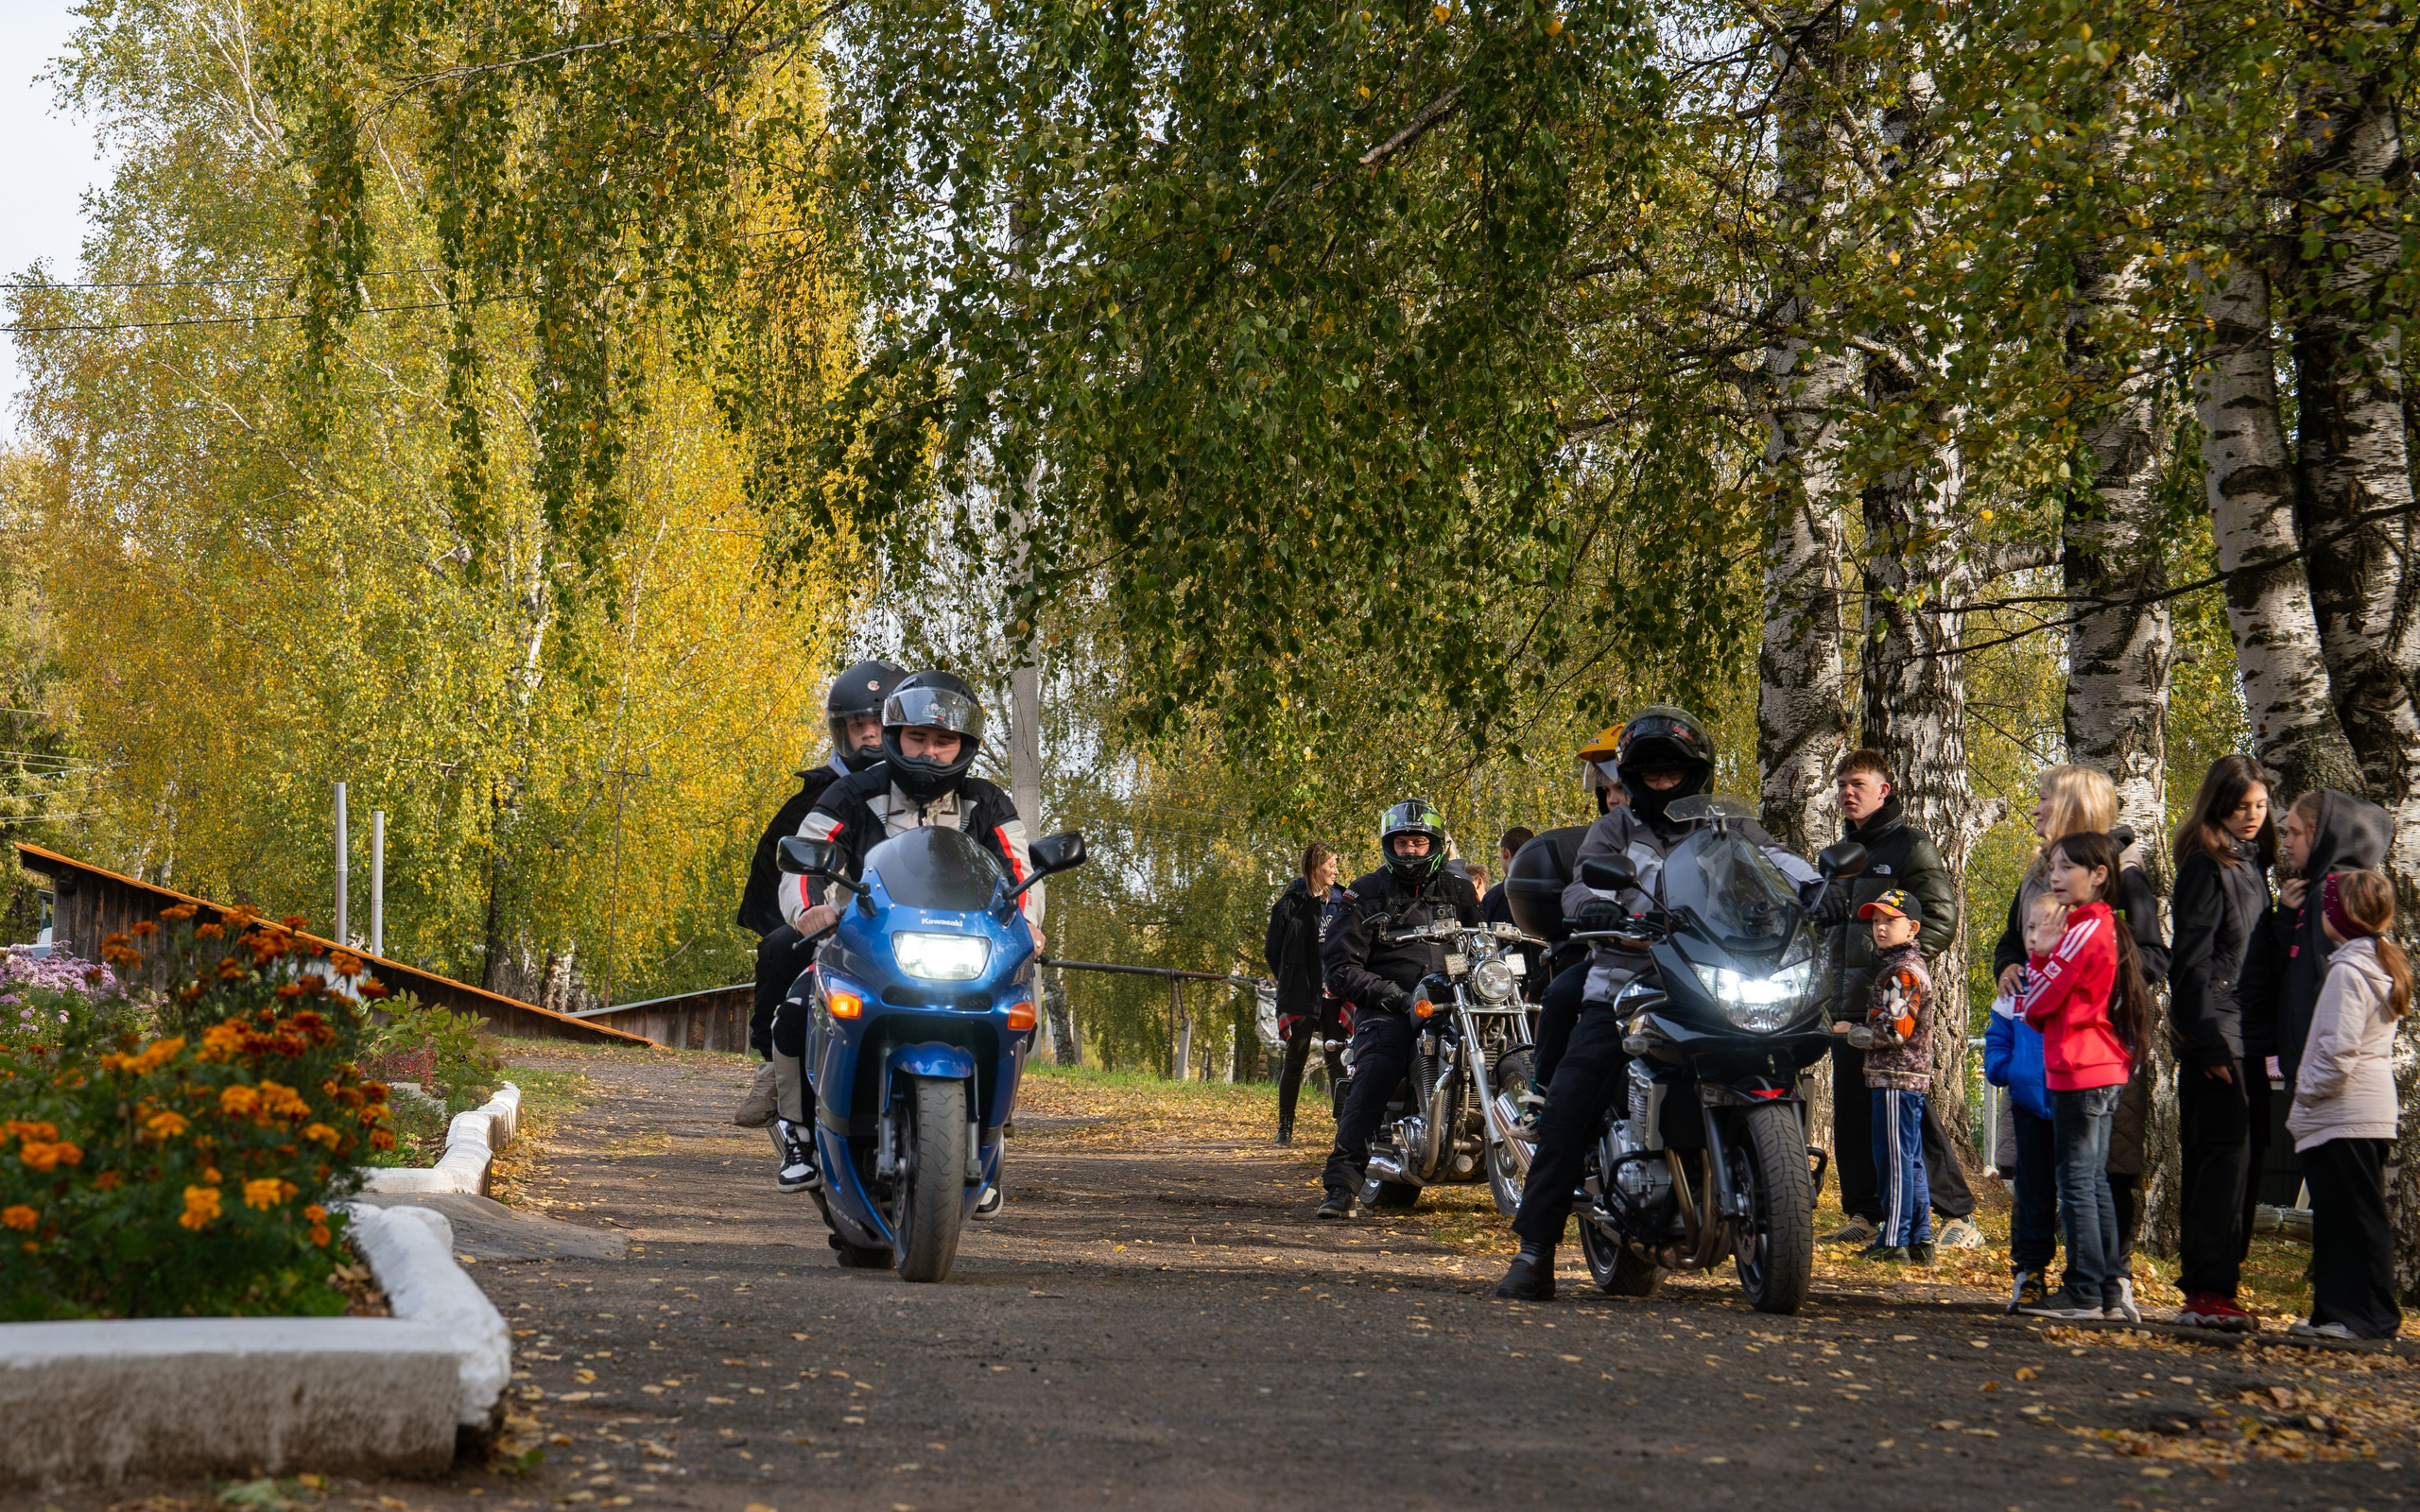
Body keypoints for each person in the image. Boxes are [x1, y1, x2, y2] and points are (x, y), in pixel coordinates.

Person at [1495, 705, 1825, 1299]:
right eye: (1650, 770)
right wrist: (1593, 905)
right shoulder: (1617, 829)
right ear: (1633, 774)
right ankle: (1534, 1250)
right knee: (1573, 1095)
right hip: (1628, 981)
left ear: (1696, 771)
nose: (1662, 779)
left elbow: (1776, 861)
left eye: (1674, 769)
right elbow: (1580, 885)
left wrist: (1814, 886)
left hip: (1711, 975)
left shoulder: (1727, 825)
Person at [770, 670, 1040, 1200]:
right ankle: (797, 1132)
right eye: (918, 738)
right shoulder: (851, 793)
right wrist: (809, 910)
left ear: (964, 746)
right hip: (862, 947)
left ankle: (990, 1134)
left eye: (944, 742)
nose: (929, 753)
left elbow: (1019, 869)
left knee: (1017, 1012)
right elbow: (805, 860)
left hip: (968, 953)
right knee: (800, 1004)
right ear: (895, 736)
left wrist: (1030, 923)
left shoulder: (989, 803)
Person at [1988, 765, 2169, 1288]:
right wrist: (2011, 965)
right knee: (2039, 1169)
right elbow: (2011, 939)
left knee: (2098, 1173)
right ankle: (2037, 1270)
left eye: (2044, 798)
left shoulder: (2122, 874)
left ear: (2070, 806)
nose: (2035, 808)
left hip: (2094, 1045)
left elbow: (2154, 956)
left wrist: (2083, 980)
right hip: (2037, 1051)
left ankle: (2103, 1278)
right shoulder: (2039, 874)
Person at [734, 660, 904, 1143]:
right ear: (841, 731)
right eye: (858, 726)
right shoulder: (823, 792)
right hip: (842, 920)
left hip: (915, 921)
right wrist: (807, 912)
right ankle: (772, 1067)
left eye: (880, 724)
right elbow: (789, 865)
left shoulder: (935, 787)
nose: (870, 736)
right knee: (776, 948)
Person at [1815, 749, 1979, 1250]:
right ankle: (1866, 1213)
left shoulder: (1911, 845)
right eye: (1841, 783)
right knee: (1853, 1112)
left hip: (1890, 1006)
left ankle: (1958, 1216)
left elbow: (1941, 916)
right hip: (1844, 1004)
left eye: (1858, 783)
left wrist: (1900, 973)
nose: (1847, 791)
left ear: (1884, 790)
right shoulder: (1840, 852)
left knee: (1907, 1108)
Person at [1316, 799, 1483, 1219]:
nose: (1411, 851)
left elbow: (1484, 943)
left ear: (1435, 846)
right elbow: (1339, 969)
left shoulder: (1459, 889)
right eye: (1404, 842)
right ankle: (1342, 1184)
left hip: (1453, 999)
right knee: (1377, 1067)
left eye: (1419, 842)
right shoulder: (1365, 892)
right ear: (1391, 845)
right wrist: (1390, 994)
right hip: (1389, 1004)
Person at [2015, 831, 2154, 1322]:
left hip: (2082, 1067)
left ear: (2098, 875)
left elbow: (2035, 1004)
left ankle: (2084, 1292)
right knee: (2090, 1179)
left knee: (2077, 1180)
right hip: (2096, 1064)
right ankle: (2105, 1290)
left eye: (2067, 867)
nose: (2055, 875)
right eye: (2052, 866)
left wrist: (2039, 953)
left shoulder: (2084, 931)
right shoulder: (2099, 926)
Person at [2165, 755, 2273, 1332]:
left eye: (2260, 806)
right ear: (2218, 805)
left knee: (2247, 1165)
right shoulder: (2206, 867)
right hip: (2218, 1039)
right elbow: (2190, 965)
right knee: (2219, 1166)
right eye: (2241, 806)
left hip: (2250, 1039)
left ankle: (2222, 1288)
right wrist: (2205, 1044)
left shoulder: (2252, 865)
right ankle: (2205, 1292)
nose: (2252, 816)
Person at [2285, 870, 2407, 1341]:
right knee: (2351, 1217)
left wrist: (2305, 1093)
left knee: (2347, 1220)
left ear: (2340, 915)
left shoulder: (2349, 970)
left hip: (2344, 1113)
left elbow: (2336, 1052)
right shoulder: (2377, 964)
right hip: (2366, 1112)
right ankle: (2337, 1313)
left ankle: (2359, 1317)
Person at [2238, 789, 2392, 1097]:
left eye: (2296, 833)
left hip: (2324, 1078)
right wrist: (2285, 920)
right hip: (2310, 1068)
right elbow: (2294, 970)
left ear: (2324, 837)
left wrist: (2314, 1075)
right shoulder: (2316, 893)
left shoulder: (2331, 898)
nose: (2286, 843)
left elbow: (2335, 991)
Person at [1828, 889, 1937, 1263]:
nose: (1880, 928)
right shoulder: (1897, 967)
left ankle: (1894, 1240)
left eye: (1890, 920)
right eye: (1875, 921)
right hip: (1900, 1078)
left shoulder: (1902, 972)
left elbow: (1894, 1031)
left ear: (1913, 927)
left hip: (1896, 1078)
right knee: (1910, 1158)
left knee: (1893, 1160)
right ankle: (1921, 1239)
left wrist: (1851, 1032)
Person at [1985, 892, 2064, 1310]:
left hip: (2075, 1104)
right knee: (2033, 1191)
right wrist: (2006, 1068)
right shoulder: (2016, 986)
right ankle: (2029, 1271)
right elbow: (1997, 1034)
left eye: (2043, 926)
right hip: (2030, 1104)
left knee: (2078, 1191)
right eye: (2028, 927)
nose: (2033, 936)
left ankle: (2088, 1276)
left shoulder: (2077, 977)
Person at [1268, 843, 1346, 1146]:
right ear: (1316, 866)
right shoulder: (1290, 903)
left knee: (1337, 1057)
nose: (1336, 871)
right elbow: (1272, 951)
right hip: (1300, 990)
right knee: (1295, 1058)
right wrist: (1290, 978)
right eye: (1332, 865)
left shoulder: (1342, 900)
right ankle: (1284, 1128)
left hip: (1335, 992)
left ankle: (1343, 1126)